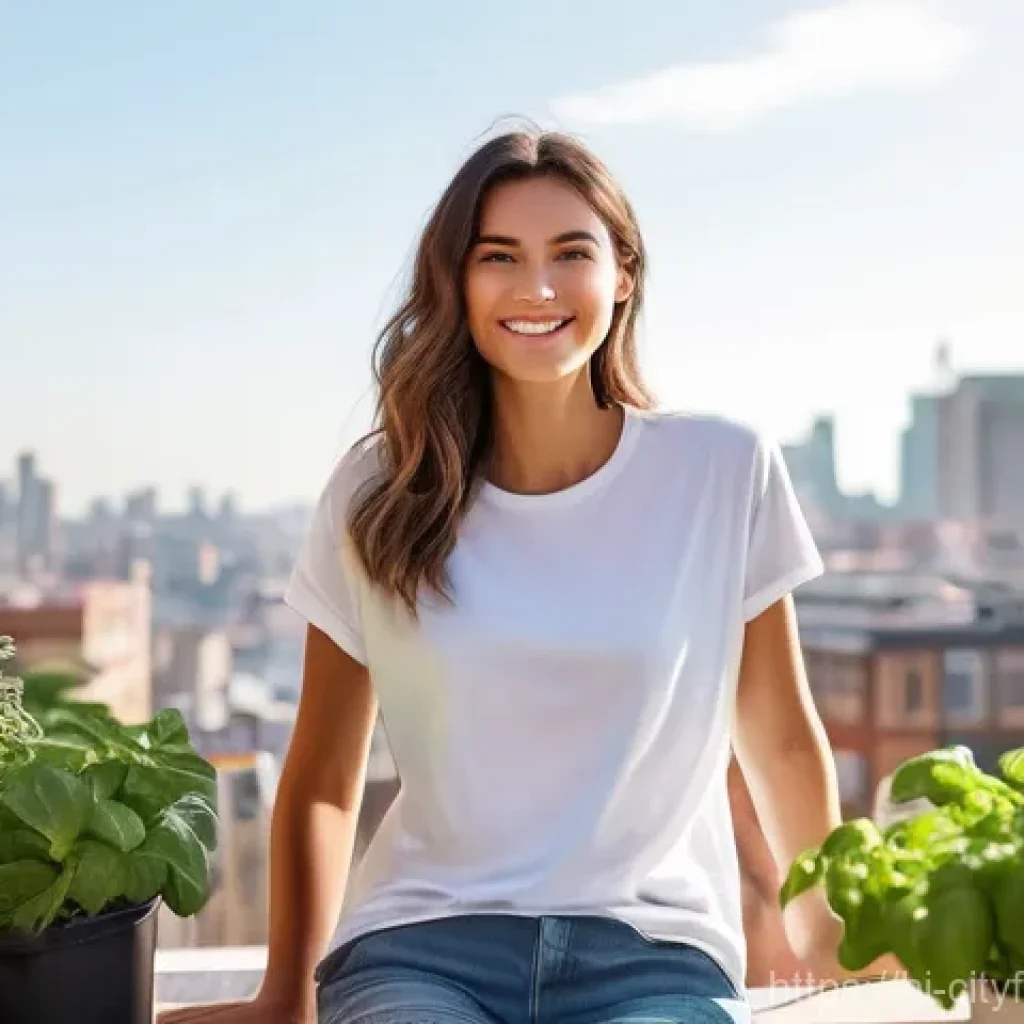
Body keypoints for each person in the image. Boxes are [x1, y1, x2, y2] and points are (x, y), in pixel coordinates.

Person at [160, 127, 900, 1024]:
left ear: (622, 274)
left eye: (571, 253)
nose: (537, 287)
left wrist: (828, 932)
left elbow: (779, 735)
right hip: (421, 949)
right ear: (456, 282)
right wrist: (284, 997)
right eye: (499, 256)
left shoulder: (722, 470)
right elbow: (322, 771)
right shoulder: (378, 489)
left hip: (656, 960)